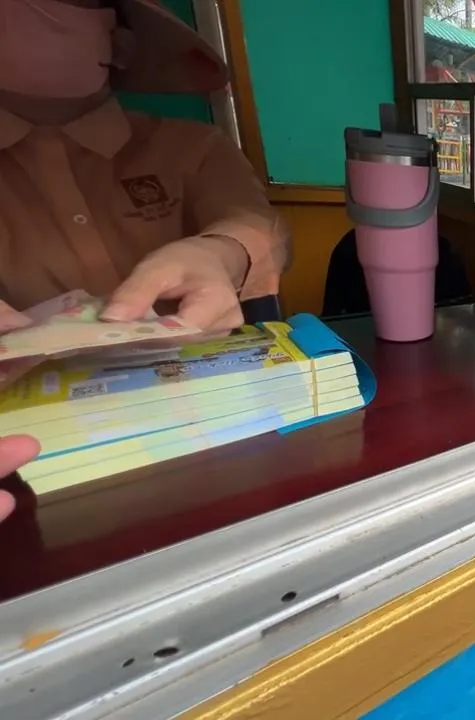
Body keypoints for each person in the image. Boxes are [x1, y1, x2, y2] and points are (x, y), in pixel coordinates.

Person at [0, 0, 290, 511]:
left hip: (215, 428)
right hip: (29, 462)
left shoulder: (194, 147)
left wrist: (221, 255)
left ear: (121, 41)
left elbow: (257, 223)